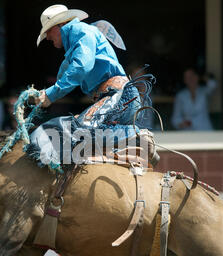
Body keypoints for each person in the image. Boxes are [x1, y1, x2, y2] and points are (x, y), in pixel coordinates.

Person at [27, 4, 156, 172]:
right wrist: (43, 94)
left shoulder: (81, 31)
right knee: (74, 134)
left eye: (48, 32)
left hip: (118, 97)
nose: (48, 38)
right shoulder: (77, 43)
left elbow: (80, 68)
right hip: (117, 100)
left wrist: (50, 95)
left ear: (59, 26)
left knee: (77, 130)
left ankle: (136, 135)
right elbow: (66, 74)